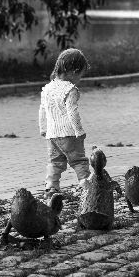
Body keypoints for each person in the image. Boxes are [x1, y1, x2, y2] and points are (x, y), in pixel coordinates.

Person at [39, 48, 90, 196]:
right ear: (74, 71)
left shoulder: (47, 88)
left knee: (55, 162)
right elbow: (72, 112)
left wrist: (43, 128)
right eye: (80, 74)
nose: (80, 78)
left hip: (52, 135)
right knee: (79, 161)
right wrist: (79, 131)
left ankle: (51, 187)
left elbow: (43, 110)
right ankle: (85, 185)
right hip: (68, 134)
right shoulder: (70, 90)